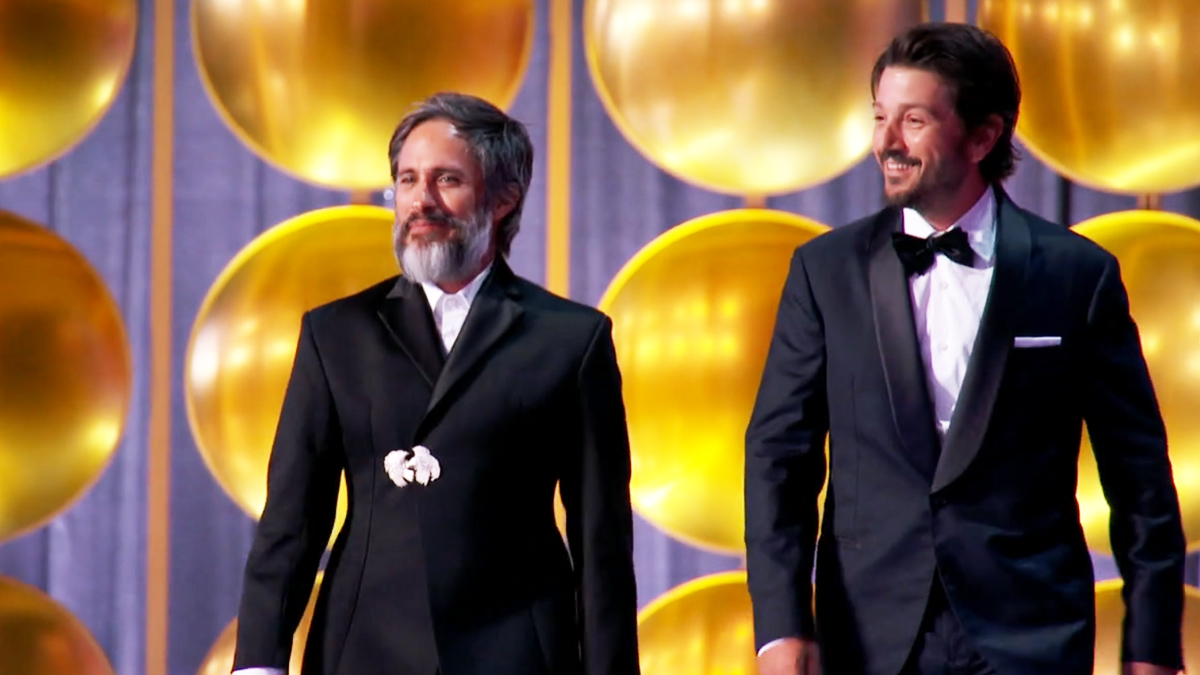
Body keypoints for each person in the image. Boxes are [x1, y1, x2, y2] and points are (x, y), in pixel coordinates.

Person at [744, 22, 1185, 675]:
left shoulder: (1075, 275)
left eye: (913, 120)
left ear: (983, 135)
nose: (886, 143)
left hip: (1031, 634)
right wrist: (780, 625)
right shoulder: (824, 270)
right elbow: (780, 456)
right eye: (879, 118)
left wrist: (1150, 644)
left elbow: (1139, 476)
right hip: (868, 636)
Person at [231, 92, 640, 675]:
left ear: (503, 198)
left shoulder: (571, 340)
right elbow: (290, 527)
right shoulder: (335, 334)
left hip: (519, 656)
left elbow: (602, 545)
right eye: (406, 180)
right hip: (363, 653)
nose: (420, 201)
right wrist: (258, 665)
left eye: (446, 179)